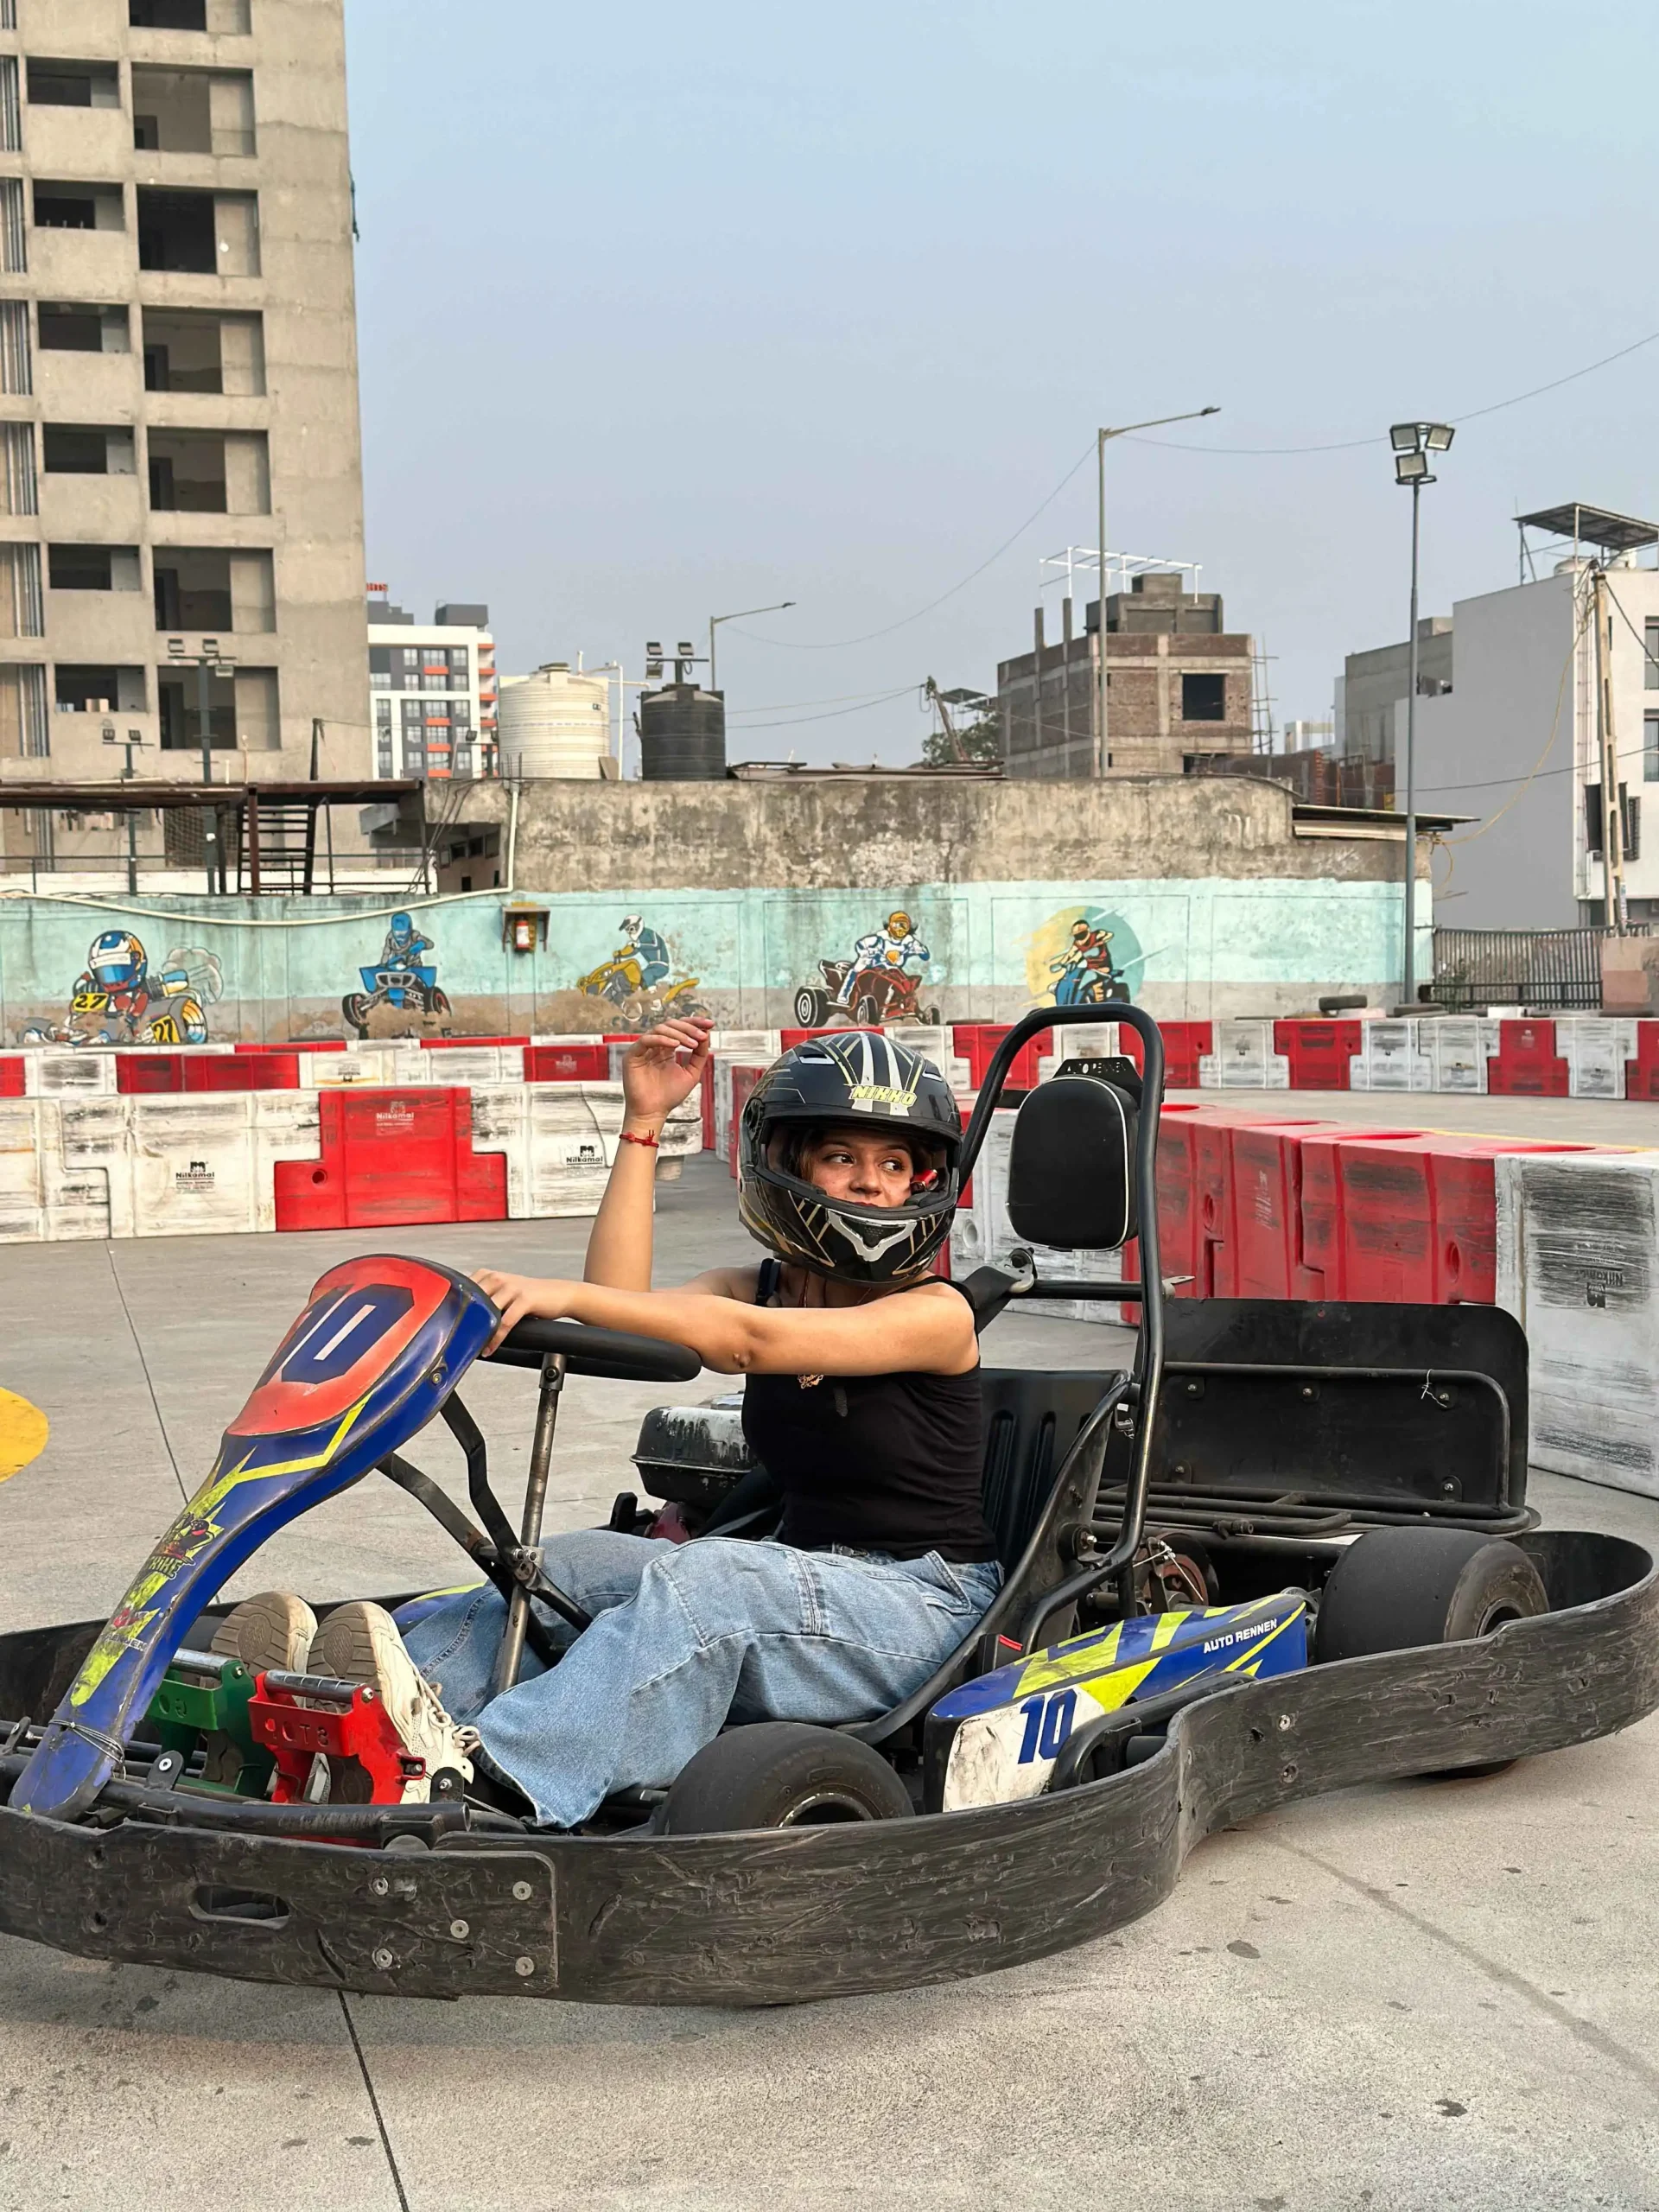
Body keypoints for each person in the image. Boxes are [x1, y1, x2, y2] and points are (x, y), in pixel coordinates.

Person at [210, 1022, 1000, 1828]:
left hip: (920, 1605)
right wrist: (644, 1121)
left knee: (712, 1582)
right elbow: (623, 1311)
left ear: (921, 1184)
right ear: (789, 1163)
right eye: (841, 1157)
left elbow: (746, 1342)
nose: (869, 1184)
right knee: (561, 1568)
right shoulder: (764, 1286)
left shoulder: (936, 1314)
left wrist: (558, 1293)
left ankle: (490, 1775)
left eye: (892, 1165)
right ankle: (338, 1716)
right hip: (796, 1572)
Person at [834, 909, 929, 1010]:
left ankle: (904, 1004)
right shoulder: (880, 938)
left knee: (902, 981)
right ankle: (844, 995)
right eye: (896, 925)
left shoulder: (909, 942)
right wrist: (867, 952)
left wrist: (921, 952)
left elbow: (925, 955)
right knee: (855, 971)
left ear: (908, 927)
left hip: (890, 967)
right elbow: (860, 944)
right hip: (871, 963)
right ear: (890, 926)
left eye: (903, 926)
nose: (900, 929)